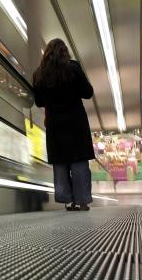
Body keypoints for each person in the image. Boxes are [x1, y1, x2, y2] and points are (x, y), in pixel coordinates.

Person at [33, 38, 95, 211]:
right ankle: (82, 201)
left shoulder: (39, 74)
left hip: (55, 124)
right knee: (79, 161)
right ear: (65, 52)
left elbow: (38, 102)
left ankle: (67, 201)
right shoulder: (73, 68)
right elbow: (88, 92)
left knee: (60, 162)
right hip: (76, 122)